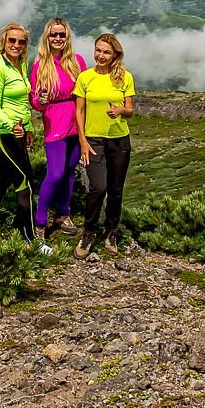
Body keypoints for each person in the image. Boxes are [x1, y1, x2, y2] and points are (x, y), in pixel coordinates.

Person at [0, 21, 51, 254]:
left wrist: (29, 127)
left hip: (19, 132)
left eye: (21, 41)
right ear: (4, 41)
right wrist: (11, 126)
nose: (17, 45)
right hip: (3, 133)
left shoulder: (20, 65)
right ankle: (29, 238)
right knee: (25, 182)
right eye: (12, 40)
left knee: (1, 182)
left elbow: (22, 102)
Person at [73, 33, 135, 259]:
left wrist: (120, 110)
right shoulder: (85, 77)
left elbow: (130, 110)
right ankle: (89, 232)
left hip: (119, 140)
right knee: (97, 187)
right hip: (94, 140)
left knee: (115, 190)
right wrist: (82, 140)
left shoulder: (125, 77)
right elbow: (79, 111)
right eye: (98, 50)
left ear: (115, 54)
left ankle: (111, 231)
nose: (101, 55)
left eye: (106, 52)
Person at [30, 17, 87, 241]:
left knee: (70, 170)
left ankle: (63, 214)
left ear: (67, 37)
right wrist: (41, 101)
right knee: (55, 174)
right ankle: (40, 223)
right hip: (55, 123)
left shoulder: (77, 62)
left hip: (77, 123)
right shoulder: (40, 66)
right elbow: (35, 102)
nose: (57, 38)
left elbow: (85, 93)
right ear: (47, 37)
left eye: (61, 34)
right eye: (53, 34)